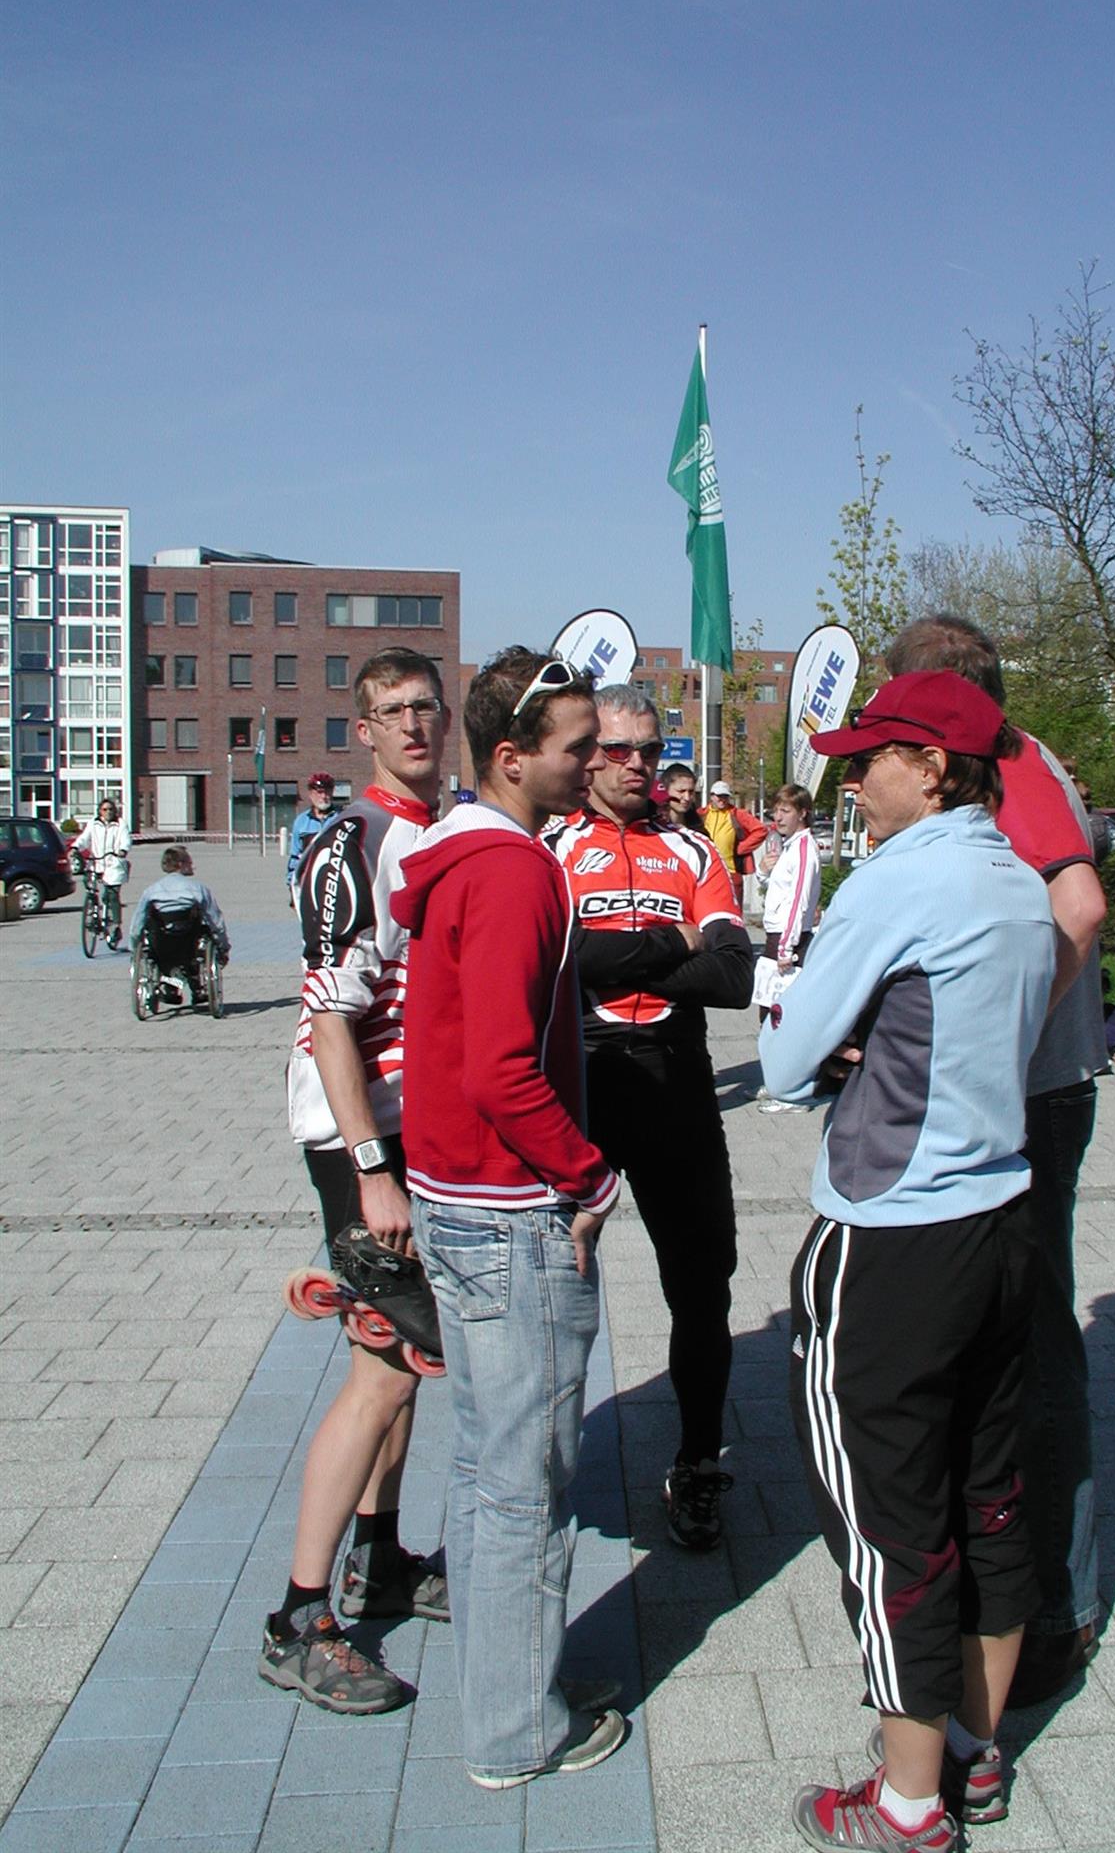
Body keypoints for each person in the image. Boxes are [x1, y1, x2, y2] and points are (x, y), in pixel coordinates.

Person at [762, 669, 1055, 1853]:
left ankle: (907, 1804)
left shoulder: (898, 877)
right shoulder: (1018, 878)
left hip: (891, 1237)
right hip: (1002, 1218)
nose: (851, 780)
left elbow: (785, 1060)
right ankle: (976, 1755)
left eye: (869, 758)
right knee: (990, 1495)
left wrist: (837, 1040)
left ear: (932, 769)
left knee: (890, 1519)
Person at [394, 647, 626, 1787]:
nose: (595, 763)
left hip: (458, 1201)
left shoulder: (456, 856)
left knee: (489, 1470)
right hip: (511, 1211)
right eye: (578, 747)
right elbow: (498, 1066)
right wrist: (588, 1175)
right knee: (525, 1484)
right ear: (511, 757)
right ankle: (516, 1731)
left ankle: (498, 1697)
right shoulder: (514, 871)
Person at [887, 615, 1108, 1709]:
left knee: (1032, 1350)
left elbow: (1080, 902)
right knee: (1010, 1342)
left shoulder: (1010, 759)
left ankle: (1054, 1619)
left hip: (1033, 1096)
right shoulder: (1013, 759)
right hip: (1032, 1093)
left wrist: (1007, 1032)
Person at [260, 647, 452, 1716]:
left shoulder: (445, 826)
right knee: (384, 1367)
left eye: (425, 705)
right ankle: (297, 1620)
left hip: (410, 1127)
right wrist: (373, 1170)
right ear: (366, 731)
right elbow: (330, 1020)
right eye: (391, 711)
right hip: (356, 1134)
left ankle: (379, 1559)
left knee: (401, 1361)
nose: (413, 724)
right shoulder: (351, 842)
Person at [549, 685, 753, 1550]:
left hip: (678, 1085)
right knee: (554, 1289)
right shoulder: (551, 847)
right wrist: (672, 942)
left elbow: (733, 977)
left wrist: (605, 958)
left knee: (703, 1286)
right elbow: (550, 960)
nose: (637, 766)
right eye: (618, 750)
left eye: (650, 750)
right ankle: (539, 1467)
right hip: (584, 1083)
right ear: (587, 753)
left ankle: (699, 1463)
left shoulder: (692, 848)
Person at [753, 782, 821, 1039]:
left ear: (802, 813)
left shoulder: (804, 848)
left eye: (785, 811)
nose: (778, 817)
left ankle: (782, 1062)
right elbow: (779, 890)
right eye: (776, 811)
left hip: (788, 939)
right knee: (768, 1012)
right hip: (778, 936)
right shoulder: (790, 846)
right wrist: (763, 871)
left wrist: (785, 948)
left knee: (780, 1016)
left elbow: (798, 901)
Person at [129, 846, 230, 1003]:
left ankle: (168, 985)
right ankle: (196, 985)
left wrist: (134, 946)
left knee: (151, 925)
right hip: (190, 942)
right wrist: (223, 946)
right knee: (203, 929)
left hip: (160, 944)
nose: (192, 866)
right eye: (190, 862)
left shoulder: (151, 891)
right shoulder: (198, 889)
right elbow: (215, 921)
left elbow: (137, 923)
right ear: (181, 864)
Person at [74, 798, 131, 949]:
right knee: (88, 883)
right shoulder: (94, 824)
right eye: (105, 809)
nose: (108, 812)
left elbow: (126, 839)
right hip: (97, 862)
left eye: (111, 809)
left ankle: (115, 925)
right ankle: (93, 911)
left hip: (114, 863)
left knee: (111, 895)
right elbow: (84, 838)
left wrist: (123, 850)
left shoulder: (120, 824)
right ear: (100, 811)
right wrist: (75, 848)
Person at [286, 772, 336, 900]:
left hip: (335, 883)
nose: (324, 796)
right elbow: (295, 857)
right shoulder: (301, 822)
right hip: (309, 883)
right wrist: (292, 886)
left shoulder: (341, 818)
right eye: (319, 792)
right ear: (310, 794)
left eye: (327, 792)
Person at [658, 761, 704, 831]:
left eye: (691, 791)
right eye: (681, 791)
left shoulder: (699, 829)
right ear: (665, 790)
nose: (687, 798)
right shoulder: (654, 828)